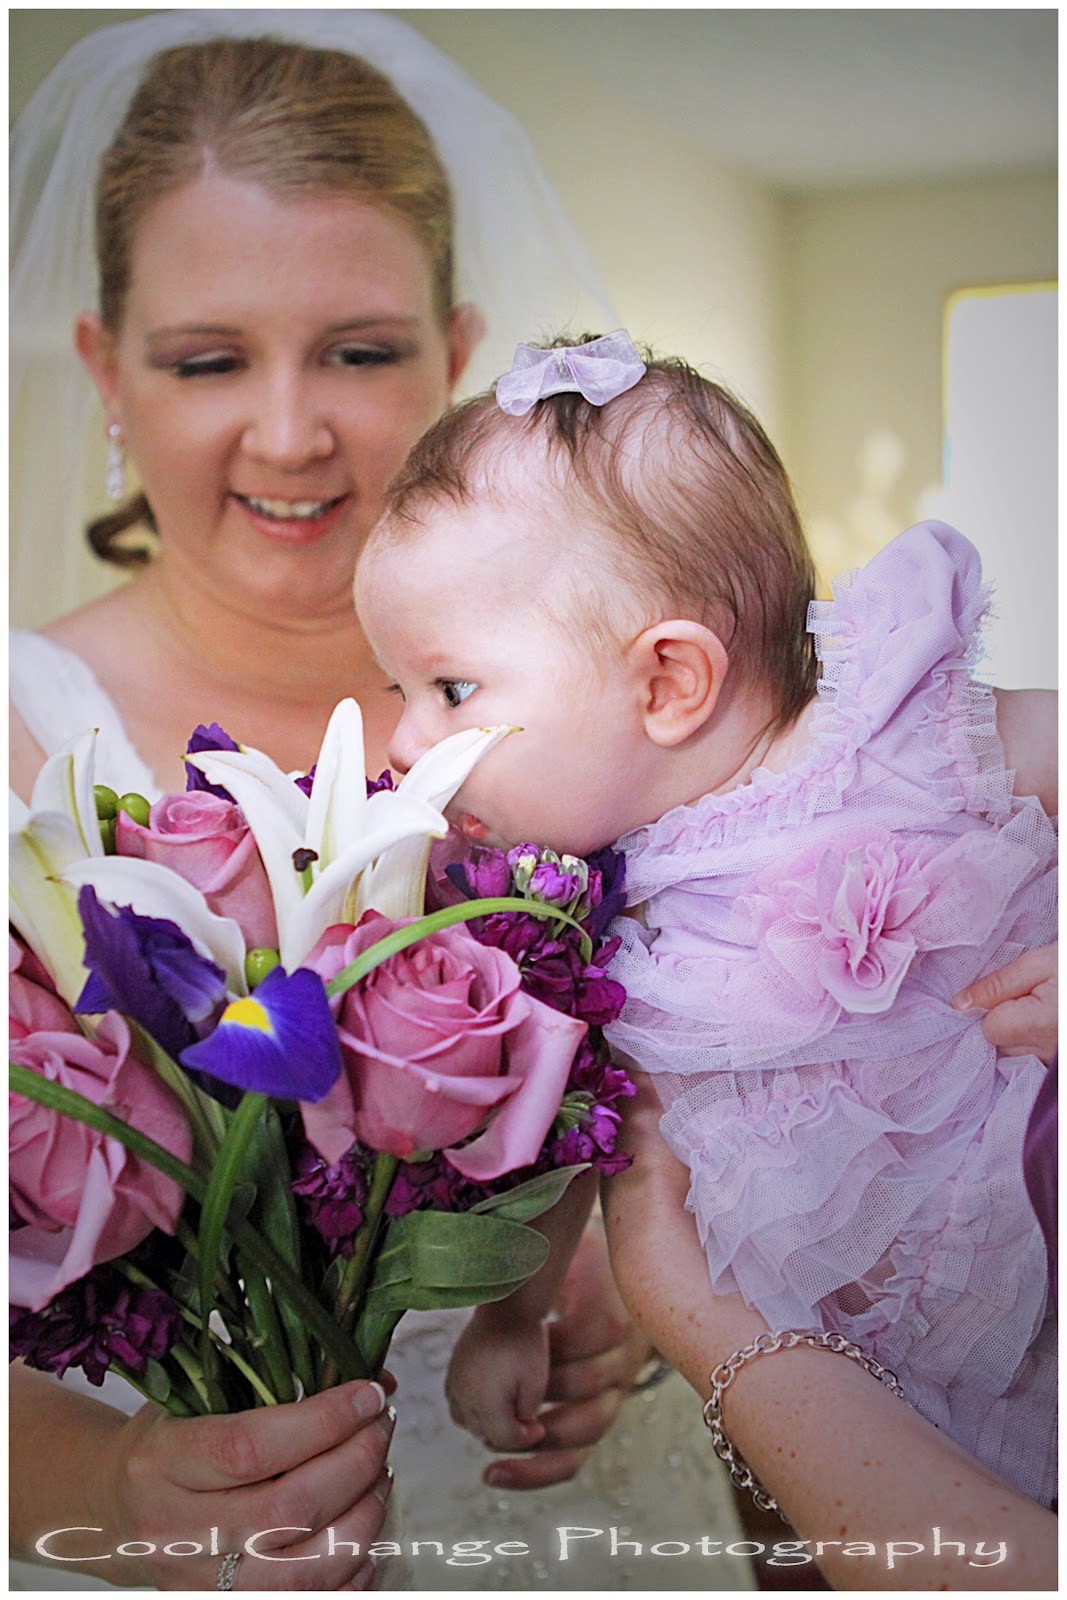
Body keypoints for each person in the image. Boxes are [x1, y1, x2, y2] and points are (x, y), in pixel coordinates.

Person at [9, 20, 751, 1595]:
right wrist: (109, 1483)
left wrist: (633, 1259)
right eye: (209, 360)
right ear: (106, 373)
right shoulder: (21, 742)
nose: (289, 432)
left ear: (454, 348)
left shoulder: (620, 702)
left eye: (356, 350)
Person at [352, 332, 1057, 1511]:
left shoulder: (898, 741)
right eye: (399, 693)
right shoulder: (585, 914)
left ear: (667, 680)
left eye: (451, 688)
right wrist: (510, 1312)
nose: (405, 742)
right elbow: (581, 1139)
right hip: (901, 1387)